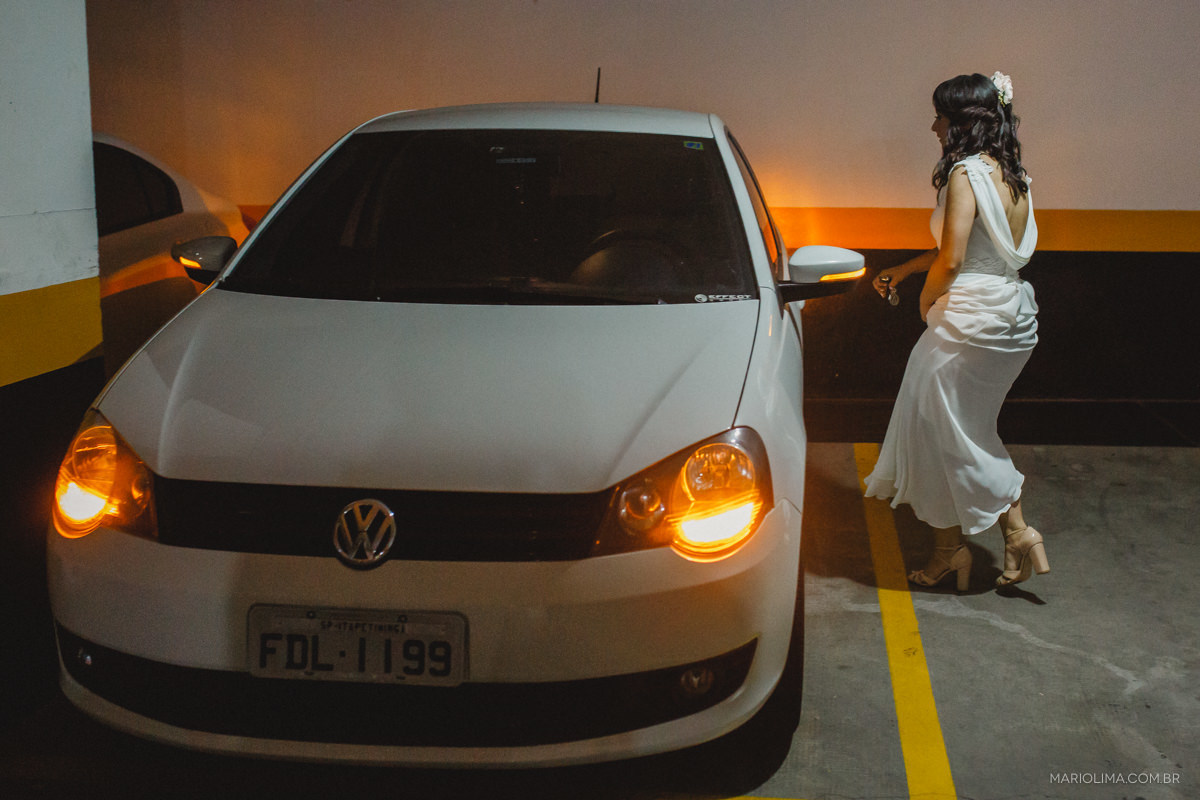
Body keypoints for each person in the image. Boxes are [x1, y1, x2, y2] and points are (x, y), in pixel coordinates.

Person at [864, 72, 1049, 592]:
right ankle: (996, 541)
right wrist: (903, 269)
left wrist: (926, 302)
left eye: (940, 115)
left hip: (965, 320)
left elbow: (952, 258)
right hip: (1009, 316)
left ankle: (993, 536)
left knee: (937, 427)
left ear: (961, 122)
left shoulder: (965, 173)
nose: (933, 124)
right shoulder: (1015, 175)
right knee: (951, 427)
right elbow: (979, 250)